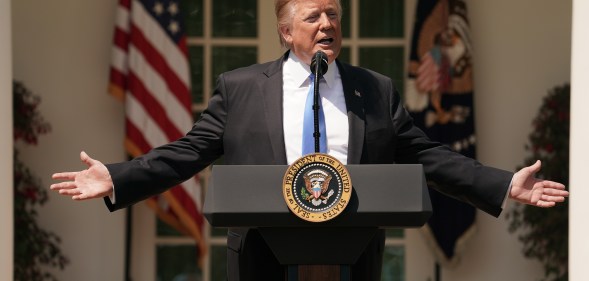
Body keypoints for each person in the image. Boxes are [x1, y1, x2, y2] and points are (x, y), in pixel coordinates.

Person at [50, 0, 569, 280]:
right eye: (314, 16)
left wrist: (503, 186)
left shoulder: (374, 90)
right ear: (285, 30)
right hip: (260, 257)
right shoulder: (241, 88)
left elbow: (427, 156)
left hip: (353, 255)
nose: (327, 24)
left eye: (334, 15)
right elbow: (189, 151)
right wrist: (116, 177)